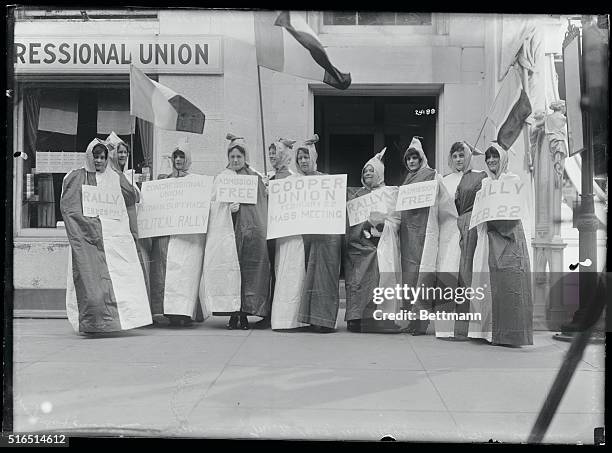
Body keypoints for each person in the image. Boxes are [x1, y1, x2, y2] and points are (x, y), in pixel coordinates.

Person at [61, 138, 151, 334]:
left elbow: (133, 197)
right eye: (96, 157)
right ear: (89, 157)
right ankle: (92, 322)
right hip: (86, 239)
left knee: (121, 280)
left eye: (102, 157)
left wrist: (122, 173)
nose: (99, 161)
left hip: (114, 238)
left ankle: (118, 321)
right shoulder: (75, 176)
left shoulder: (115, 176)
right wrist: (87, 227)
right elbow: (70, 208)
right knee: (90, 280)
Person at [202, 133, 270, 330]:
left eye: (239, 157)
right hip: (229, 234)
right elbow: (213, 203)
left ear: (244, 157)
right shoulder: (222, 178)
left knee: (247, 274)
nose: (235, 160)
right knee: (231, 274)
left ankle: (245, 315)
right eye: (232, 157)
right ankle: (232, 315)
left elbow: (261, 205)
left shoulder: (254, 178)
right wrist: (226, 208)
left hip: (249, 235)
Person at [468, 143, 534, 347]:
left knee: (508, 283)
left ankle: (508, 333)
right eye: (488, 158)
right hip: (487, 237)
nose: (490, 161)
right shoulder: (485, 184)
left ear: (503, 159)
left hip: (508, 237)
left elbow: (518, 209)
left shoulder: (512, 180)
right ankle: (484, 331)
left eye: (494, 156)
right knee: (485, 284)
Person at [398, 137, 460, 335]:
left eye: (414, 158)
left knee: (423, 276)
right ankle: (411, 318)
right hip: (408, 235)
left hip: (425, 231)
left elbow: (444, 202)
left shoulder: (432, 176)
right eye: (408, 159)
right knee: (409, 277)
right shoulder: (407, 179)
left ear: (421, 159)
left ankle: (421, 321)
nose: (411, 162)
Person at [344, 148, 403, 333]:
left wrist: (382, 224)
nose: (368, 174)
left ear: (379, 173)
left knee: (385, 278)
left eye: (372, 171)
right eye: (365, 171)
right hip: (361, 246)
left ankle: (385, 318)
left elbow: (397, 218)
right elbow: (351, 222)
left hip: (383, 244)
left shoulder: (390, 193)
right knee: (359, 281)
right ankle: (358, 318)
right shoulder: (357, 196)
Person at [149, 144, 207, 327]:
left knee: (185, 275)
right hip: (168, 235)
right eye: (176, 157)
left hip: (187, 238)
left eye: (182, 156)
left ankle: (185, 312)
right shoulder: (165, 181)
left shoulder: (195, 182)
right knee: (168, 276)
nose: (179, 160)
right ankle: (170, 312)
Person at [439, 141, 487, 340]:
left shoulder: (480, 176)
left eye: (462, 155)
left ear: (469, 156)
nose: (459, 160)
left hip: (470, 229)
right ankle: (446, 327)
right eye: (455, 156)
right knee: (448, 275)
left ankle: (467, 327)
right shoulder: (444, 180)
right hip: (449, 231)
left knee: (467, 275)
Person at [295, 135, 343, 333]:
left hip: (324, 238)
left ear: (314, 159)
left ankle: (324, 320)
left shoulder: (325, 180)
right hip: (302, 237)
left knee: (323, 276)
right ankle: (309, 318)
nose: (303, 161)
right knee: (306, 277)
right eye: (300, 158)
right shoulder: (293, 183)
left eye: (306, 157)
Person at [268, 139, 310, 331]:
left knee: (289, 273)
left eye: (275, 152)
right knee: (273, 272)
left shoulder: (294, 179)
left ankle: (290, 317)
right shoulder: (268, 178)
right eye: (270, 152)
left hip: (290, 234)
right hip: (273, 234)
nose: (271, 156)